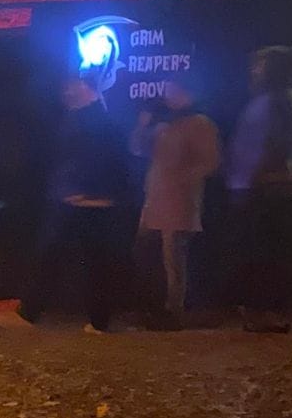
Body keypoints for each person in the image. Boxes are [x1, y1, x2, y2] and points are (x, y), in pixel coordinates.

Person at [19, 73, 131, 333]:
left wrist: (83, 189)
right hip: (86, 199)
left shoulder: (93, 120)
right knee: (89, 262)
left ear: (85, 87)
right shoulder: (94, 118)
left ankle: (31, 312)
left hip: (83, 200)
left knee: (65, 257)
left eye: (72, 87)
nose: (67, 93)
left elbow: (95, 159)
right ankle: (93, 320)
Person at [227, 44, 292, 332]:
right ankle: (271, 310)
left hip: (268, 186)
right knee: (273, 252)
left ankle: (266, 312)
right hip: (273, 184)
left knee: (265, 252)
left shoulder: (278, 102)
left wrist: (256, 179)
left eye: (260, 66)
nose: (254, 71)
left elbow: (274, 143)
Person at [131, 82, 222, 327]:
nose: (166, 95)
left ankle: (174, 312)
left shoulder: (201, 124)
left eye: (173, 90)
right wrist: (142, 125)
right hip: (155, 200)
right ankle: (151, 306)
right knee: (146, 252)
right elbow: (137, 149)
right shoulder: (163, 125)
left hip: (179, 201)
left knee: (173, 258)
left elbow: (211, 162)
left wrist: (182, 179)